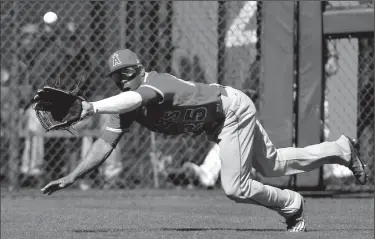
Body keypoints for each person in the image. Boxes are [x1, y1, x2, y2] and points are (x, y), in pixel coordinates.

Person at [41, 49, 368, 232]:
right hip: (221, 121)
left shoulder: (159, 83)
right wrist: (72, 176)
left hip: (232, 109)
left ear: (140, 69)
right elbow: (104, 145)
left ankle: (292, 205)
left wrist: (91, 107)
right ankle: (339, 149)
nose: (122, 79)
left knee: (235, 187)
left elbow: (137, 99)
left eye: (127, 73)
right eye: (117, 76)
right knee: (273, 164)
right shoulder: (124, 106)